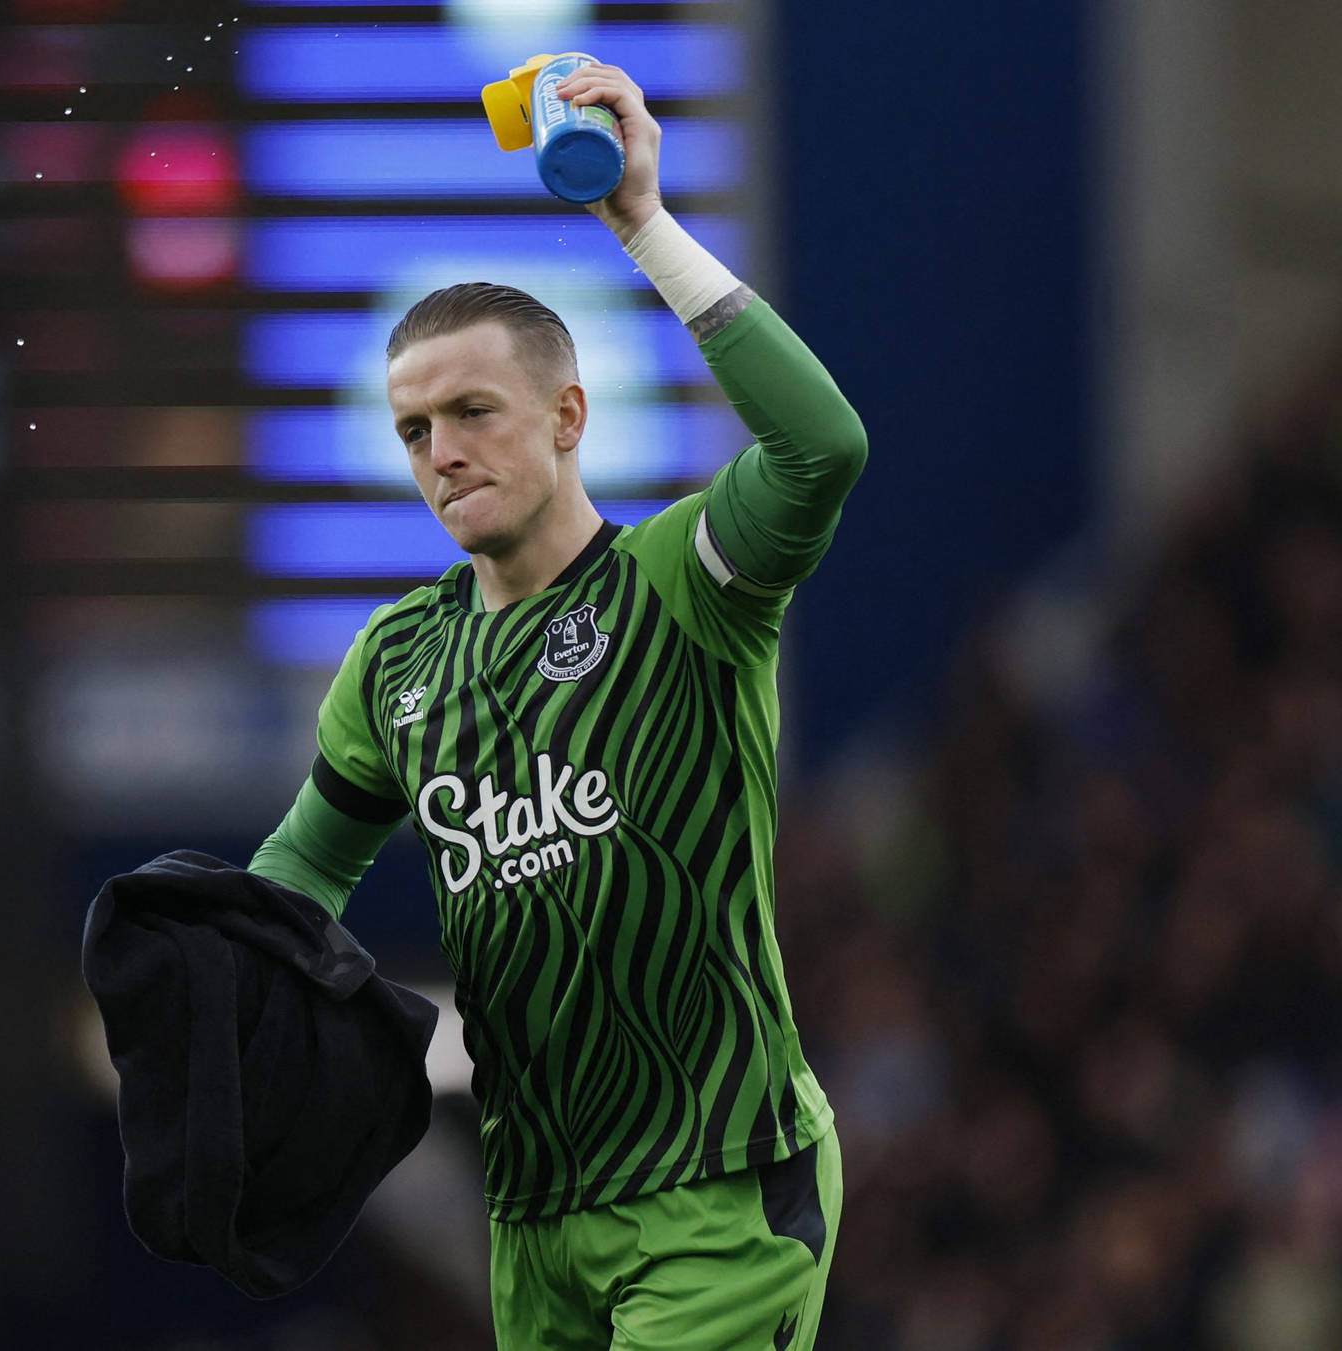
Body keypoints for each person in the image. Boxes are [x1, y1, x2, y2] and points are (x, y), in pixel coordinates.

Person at [248, 61, 865, 1350]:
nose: (442, 454)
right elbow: (310, 859)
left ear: (570, 414)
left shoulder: (688, 584)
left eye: (473, 412)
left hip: (716, 1188)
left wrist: (640, 221)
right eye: (414, 430)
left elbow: (823, 447)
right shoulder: (398, 663)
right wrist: (234, 973)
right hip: (533, 1217)